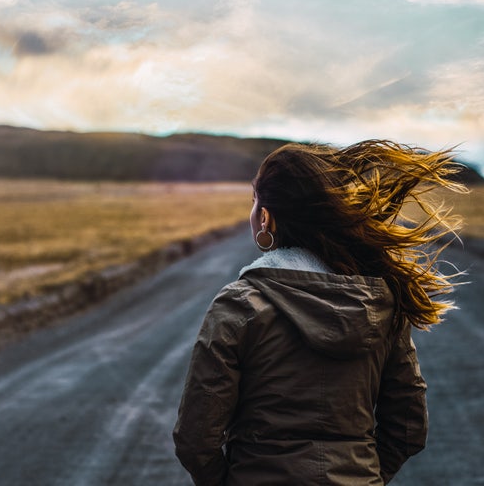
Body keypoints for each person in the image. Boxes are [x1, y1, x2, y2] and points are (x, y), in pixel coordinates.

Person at [173, 140, 466, 485]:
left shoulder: (239, 305)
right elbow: (408, 428)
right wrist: (364, 477)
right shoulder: (380, 303)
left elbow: (196, 439)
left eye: (255, 201)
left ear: (266, 217)